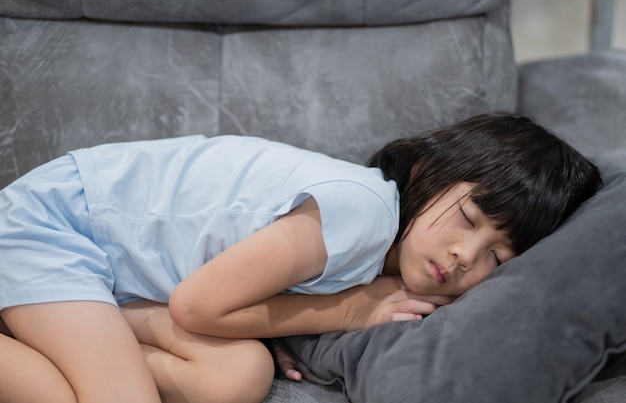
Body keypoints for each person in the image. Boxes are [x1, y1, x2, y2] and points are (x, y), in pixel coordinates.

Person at [0, 113, 601, 403]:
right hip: (59, 227)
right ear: (427, 171)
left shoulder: (379, 256)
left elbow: (219, 303)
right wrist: (346, 312)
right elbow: (196, 305)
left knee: (238, 377)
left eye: (499, 257)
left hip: (121, 280)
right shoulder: (364, 211)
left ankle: (62, 331)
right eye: (468, 219)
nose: (465, 256)